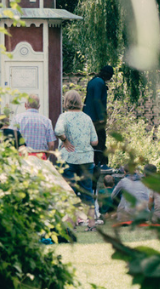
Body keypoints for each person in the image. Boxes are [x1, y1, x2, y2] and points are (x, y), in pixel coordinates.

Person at [55, 89, 99, 230]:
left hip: (69, 159)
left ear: (66, 102)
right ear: (80, 102)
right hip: (86, 159)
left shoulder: (64, 117)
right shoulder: (87, 118)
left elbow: (58, 131)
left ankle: (71, 223)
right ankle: (91, 223)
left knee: (69, 191)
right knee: (87, 191)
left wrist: (66, 141)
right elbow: (95, 141)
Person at [83, 65, 113, 169]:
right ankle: (102, 163)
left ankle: (92, 162)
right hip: (96, 119)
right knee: (100, 140)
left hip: (88, 117)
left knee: (90, 141)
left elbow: (87, 100)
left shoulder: (92, 81)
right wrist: (101, 117)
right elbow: (97, 100)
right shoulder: (100, 83)